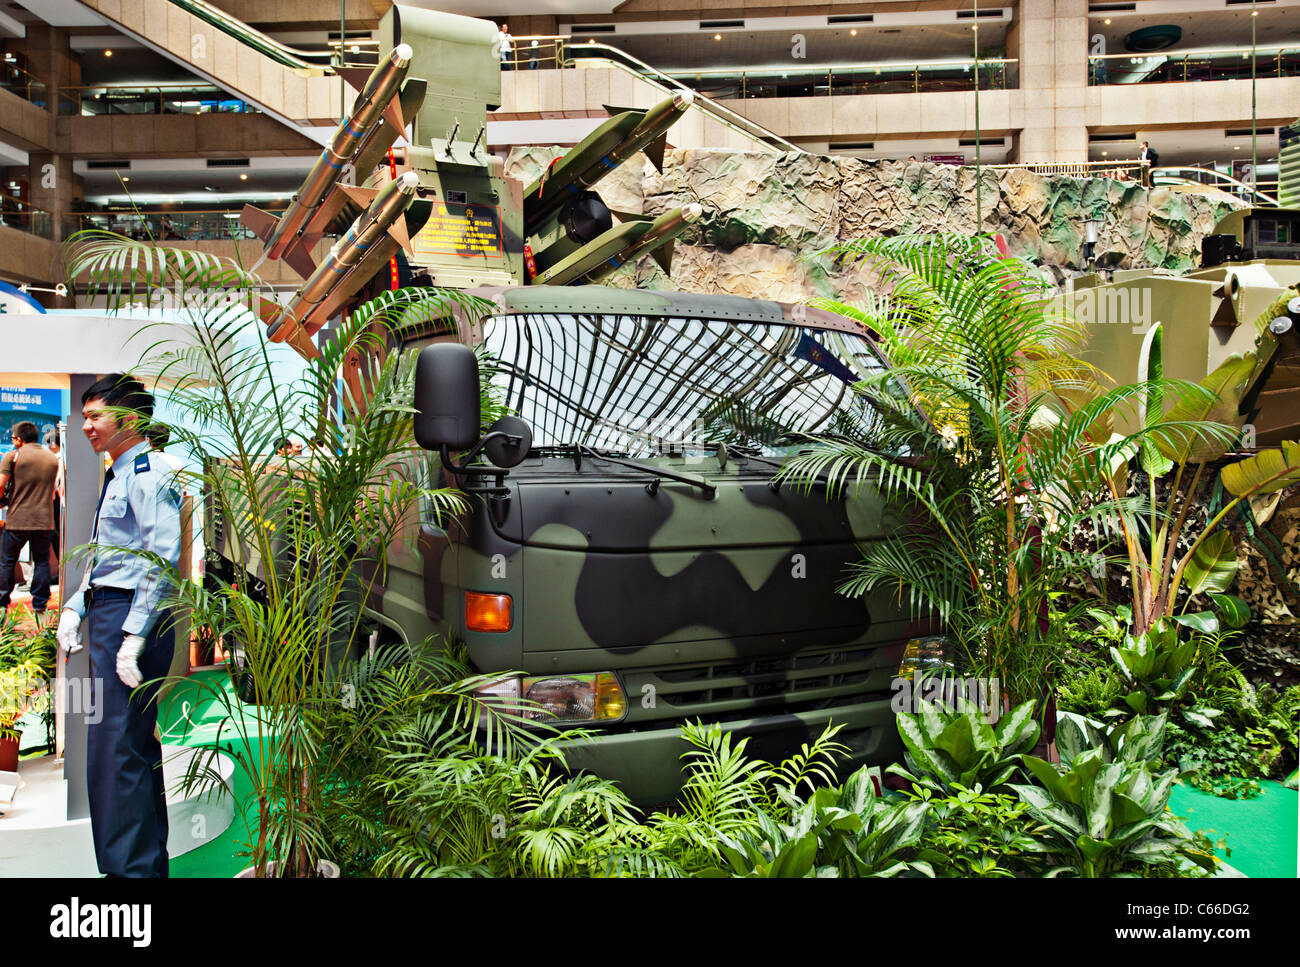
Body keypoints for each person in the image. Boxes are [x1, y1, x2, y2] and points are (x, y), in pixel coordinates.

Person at [56, 374, 183, 878]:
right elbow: (109, 554)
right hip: (112, 612)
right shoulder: (122, 470)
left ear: (129, 420)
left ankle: (130, 876)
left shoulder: (148, 473)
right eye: (84, 415)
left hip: (132, 618)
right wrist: (76, 604)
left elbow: (160, 556)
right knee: (127, 748)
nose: (85, 425)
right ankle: (144, 867)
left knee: (114, 755)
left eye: (94, 416)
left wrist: (133, 636)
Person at [0, 421, 61, 617]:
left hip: (18, 519)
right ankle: (40, 605)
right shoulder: (52, 459)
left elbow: (1, 485)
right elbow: (52, 491)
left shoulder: (13, 456)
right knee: (42, 561)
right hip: (44, 519)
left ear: (19, 439)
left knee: (7, 561)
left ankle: (2, 602)